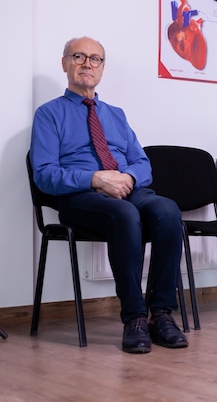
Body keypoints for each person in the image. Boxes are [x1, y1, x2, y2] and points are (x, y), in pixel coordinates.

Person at [29, 36, 188, 353]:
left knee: (168, 211)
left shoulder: (116, 114)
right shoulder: (48, 115)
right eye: (79, 56)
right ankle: (134, 318)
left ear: (102, 68)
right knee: (126, 215)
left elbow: (142, 163)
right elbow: (44, 174)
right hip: (81, 198)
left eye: (95, 58)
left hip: (128, 190)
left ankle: (160, 314)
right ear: (65, 64)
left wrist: (126, 177)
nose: (87, 63)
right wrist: (96, 179)